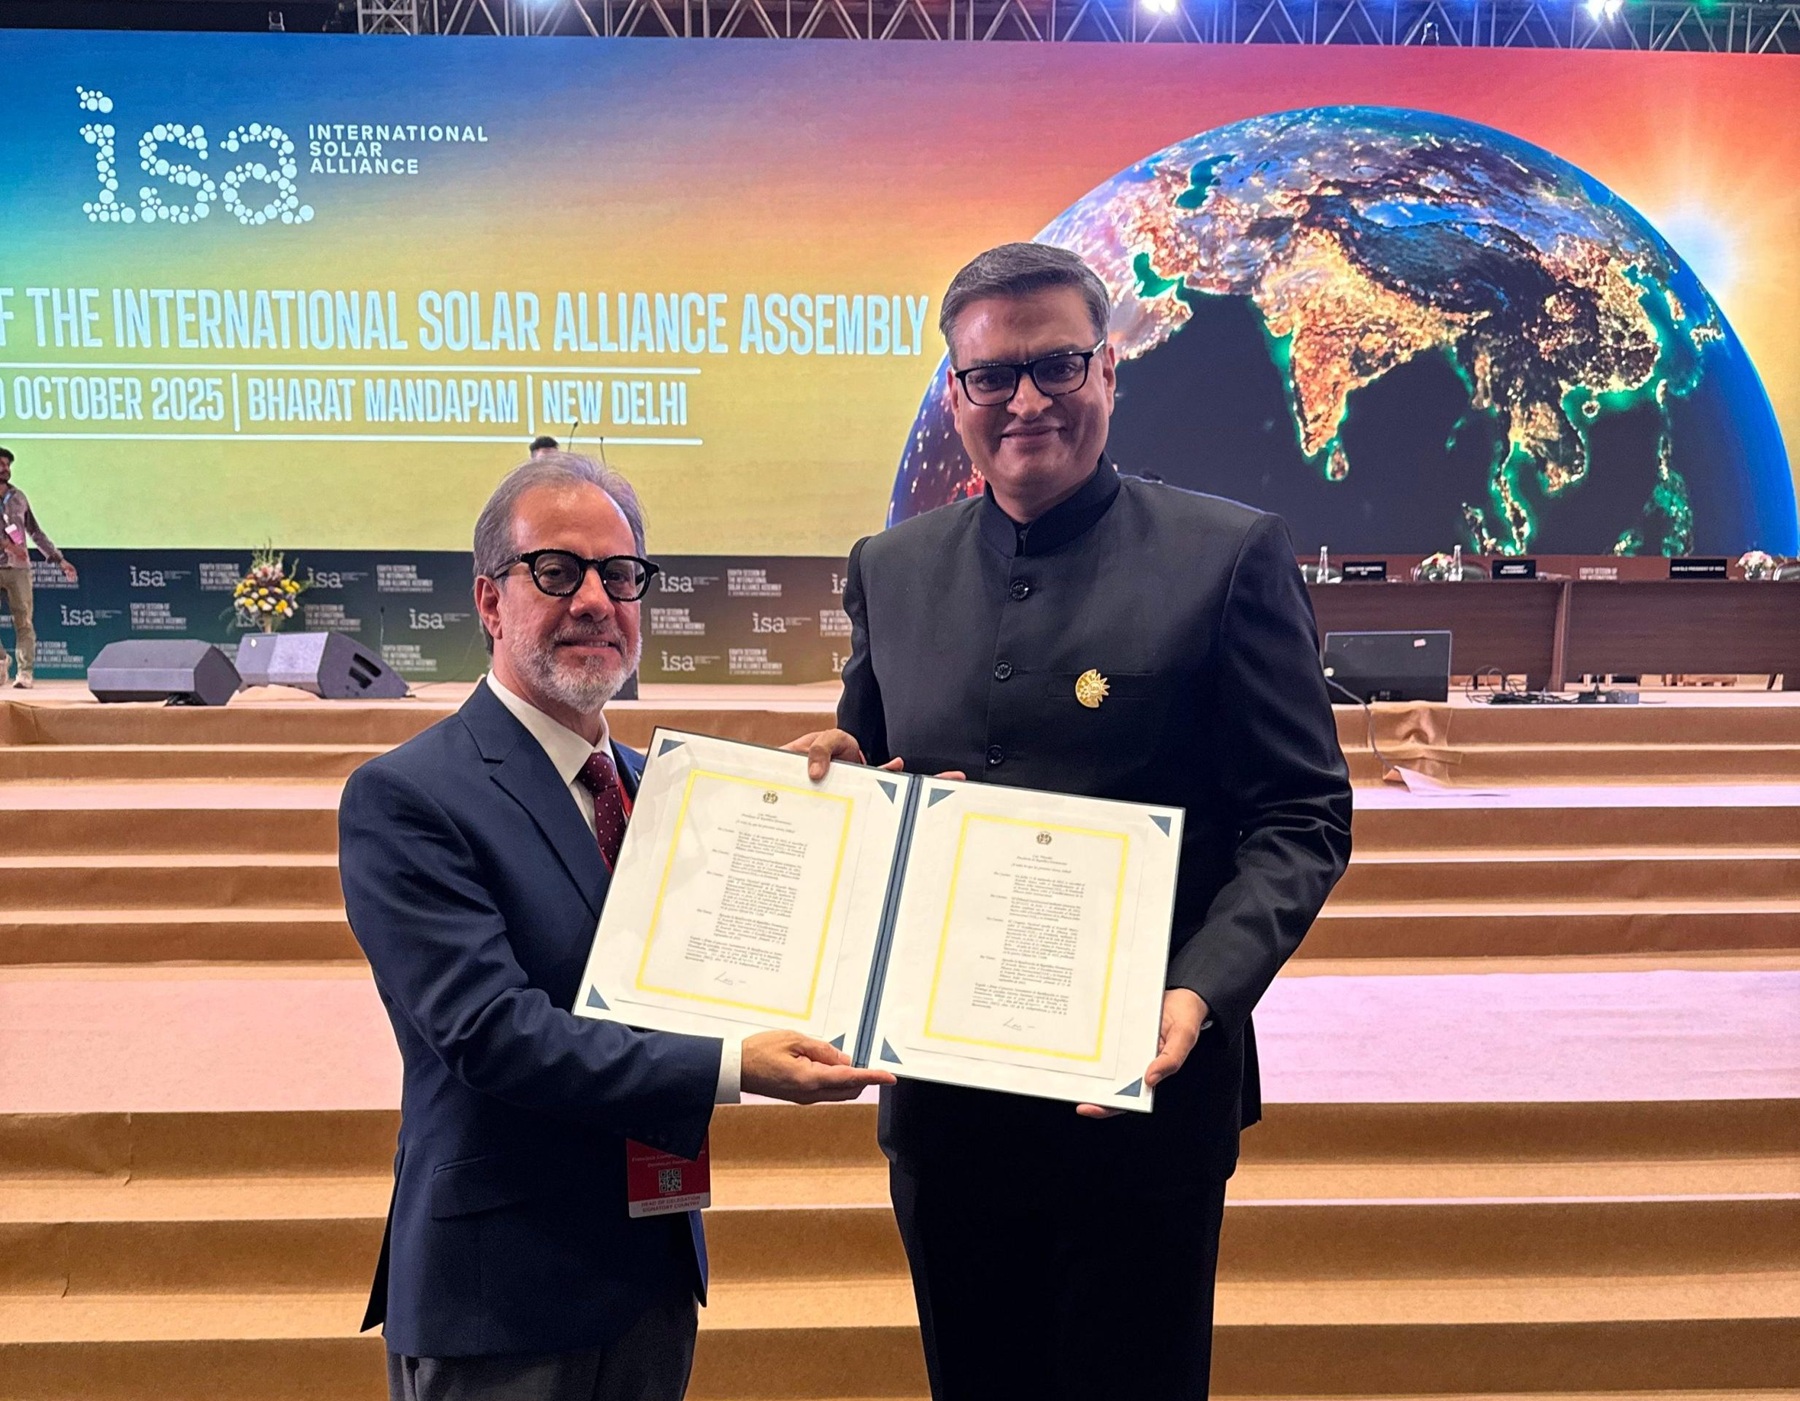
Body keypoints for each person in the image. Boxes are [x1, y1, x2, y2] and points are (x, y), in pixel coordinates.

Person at [792, 244, 1353, 1400]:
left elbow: (1301, 815)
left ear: (1108, 370)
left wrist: (1201, 990)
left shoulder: (1226, 556)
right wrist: (836, 790)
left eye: (1056, 365)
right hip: (946, 1107)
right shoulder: (890, 569)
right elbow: (879, 777)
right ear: (956, 394)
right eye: (992, 376)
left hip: (1142, 1093)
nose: (1026, 401)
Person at [339, 452, 893, 1401]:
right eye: (557, 570)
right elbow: (492, 1032)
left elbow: (747, 944)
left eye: (621, 574)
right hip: (501, 1297)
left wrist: (864, 821)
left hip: (649, 1273)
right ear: (489, 599)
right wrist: (733, 1066)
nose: (596, 599)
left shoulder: (663, 790)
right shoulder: (408, 796)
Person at [0, 448, 79, 688]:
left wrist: (59, 560)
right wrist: (7, 545)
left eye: (7, 465)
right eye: (0, 464)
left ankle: (24, 673)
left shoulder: (18, 497)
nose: (5, 468)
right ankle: (2, 659)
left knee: (24, 621)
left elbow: (35, 532)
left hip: (19, 569)